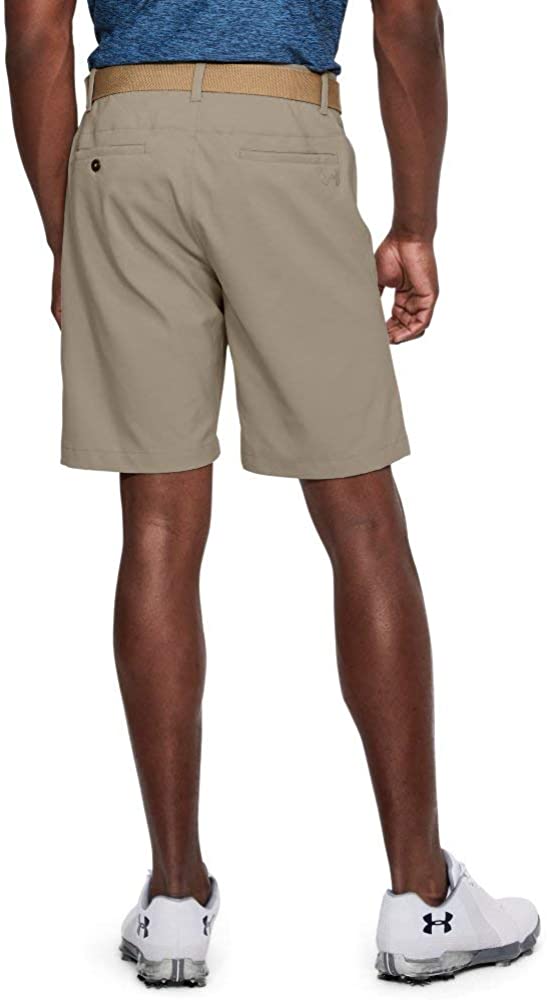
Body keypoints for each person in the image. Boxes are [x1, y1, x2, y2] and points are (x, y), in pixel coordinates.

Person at [5, 0, 539, 988]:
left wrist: (66, 237)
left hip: (124, 143)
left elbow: (35, 31)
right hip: (282, 136)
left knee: (156, 526)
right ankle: (422, 899)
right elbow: (406, 23)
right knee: (361, 520)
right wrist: (415, 223)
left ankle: (173, 902)